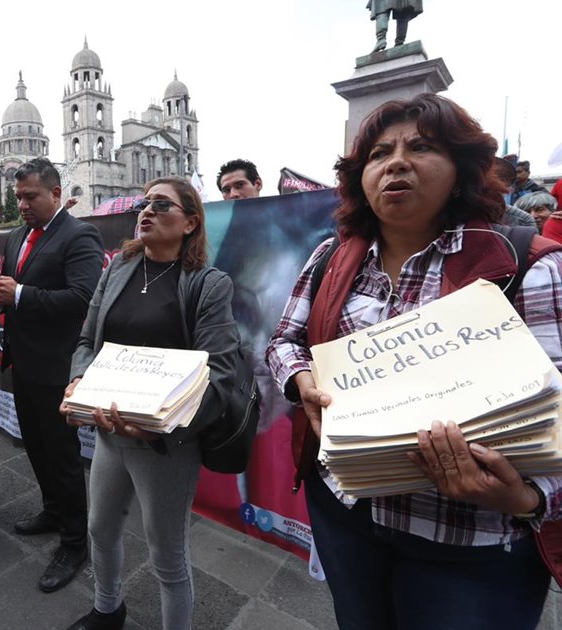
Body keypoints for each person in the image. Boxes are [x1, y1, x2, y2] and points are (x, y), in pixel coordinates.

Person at [266, 93, 561, 630]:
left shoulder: (529, 264)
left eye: (421, 147)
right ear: (361, 178)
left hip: (471, 543)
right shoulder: (331, 257)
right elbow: (284, 342)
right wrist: (300, 381)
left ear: (461, 170)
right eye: (379, 154)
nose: (396, 162)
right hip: (347, 517)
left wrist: (523, 497)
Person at [62, 177, 240, 630]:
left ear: (190, 222)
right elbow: (87, 341)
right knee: (99, 528)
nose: (147, 210)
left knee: (167, 554)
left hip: (164, 445)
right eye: (144, 203)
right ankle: (107, 609)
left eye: (162, 205)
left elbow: (220, 373)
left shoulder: (208, 284)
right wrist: (79, 381)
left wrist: (165, 426)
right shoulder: (117, 269)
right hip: (108, 433)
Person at [0, 157, 104, 592]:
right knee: (34, 444)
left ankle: (75, 541)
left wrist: (22, 294)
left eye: (30, 196)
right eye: (17, 197)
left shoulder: (79, 234)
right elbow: (17, 292)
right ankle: (53, 511)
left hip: (57, 367)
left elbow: (85, 298)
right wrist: (4, 298)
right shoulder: (17, 236)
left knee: (63, 457)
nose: (22, 205)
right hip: (24, 361)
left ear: (55, 193)